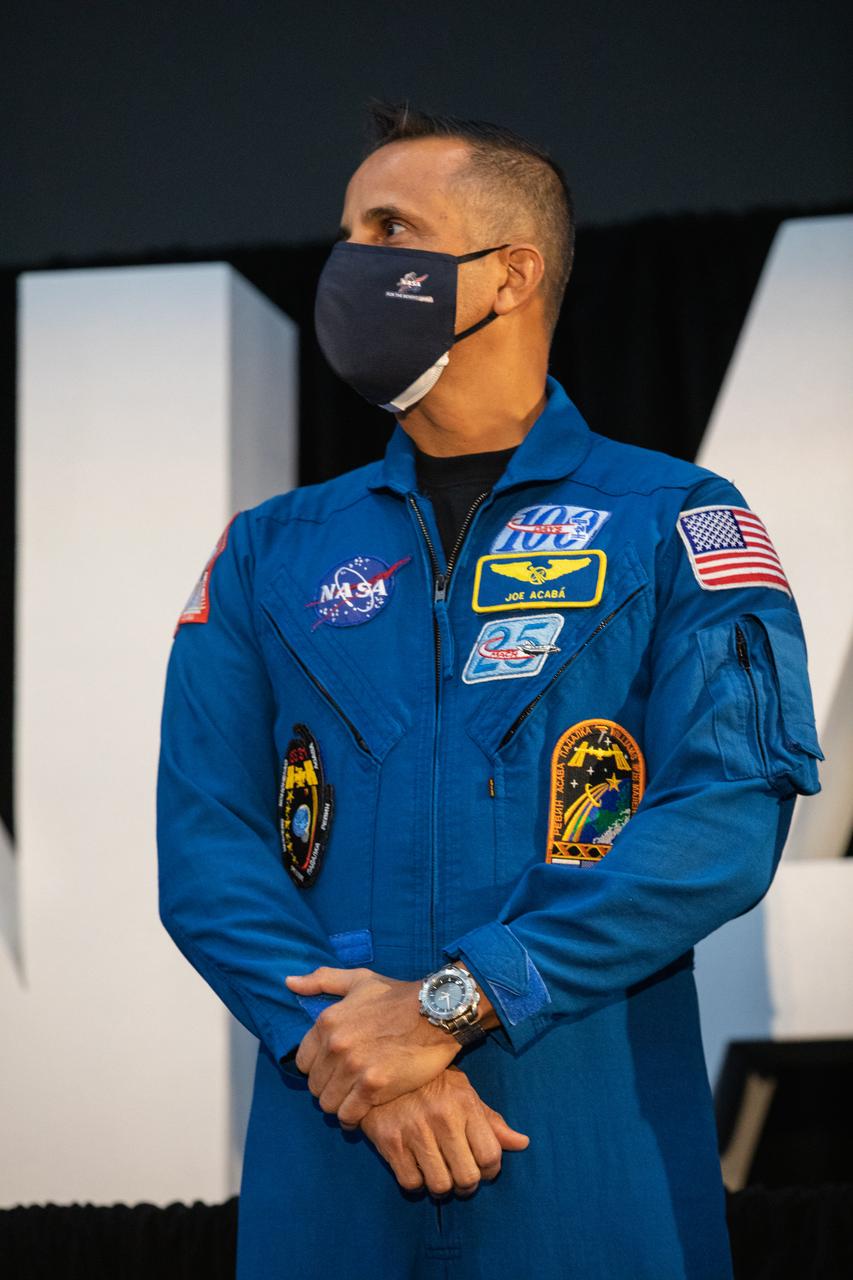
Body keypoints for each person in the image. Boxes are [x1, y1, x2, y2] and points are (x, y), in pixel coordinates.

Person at [156, 102, 823, 1279]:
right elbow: (206, 844)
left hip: (589, 1154)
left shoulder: (675, 518)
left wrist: (452, 1004)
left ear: (510, 274)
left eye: (388, 226)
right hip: (330, 1167)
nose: (347, 262)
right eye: (344, 230)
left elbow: (724, 816)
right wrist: (353, 1055)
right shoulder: (269, 550)